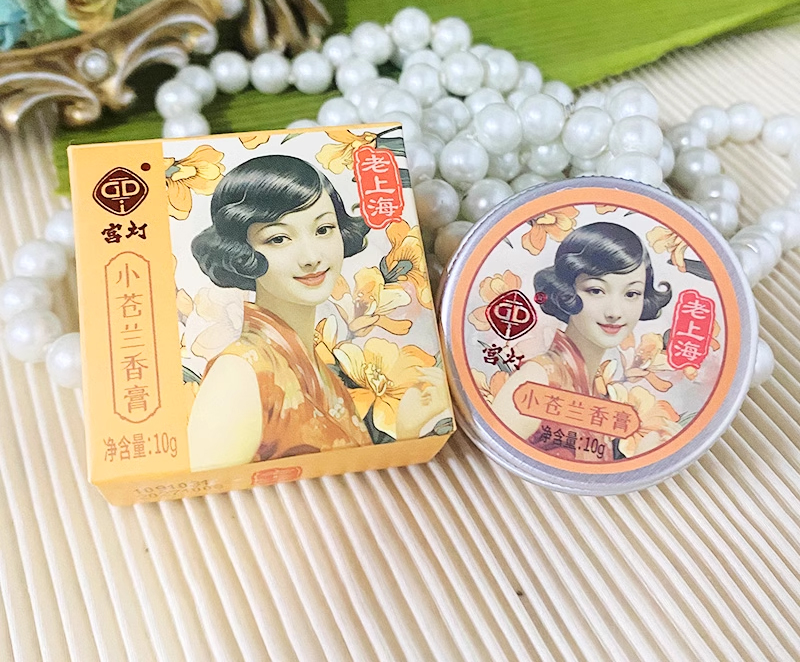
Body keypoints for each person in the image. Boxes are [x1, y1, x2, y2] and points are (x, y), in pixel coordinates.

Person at [187, 154, 433, 471]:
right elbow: (213, 486)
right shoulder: (241, 373)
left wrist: (410, 430)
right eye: (278, 238)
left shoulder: (315, 365)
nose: (311, 257)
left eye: (324, 229)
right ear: (242, 253)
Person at [492, 222, 672, 461]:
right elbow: (496, 456)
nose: (615, 312)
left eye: (631, 294)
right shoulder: (539, 379)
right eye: (596, 290)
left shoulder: (597, 388)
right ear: (566, 291)